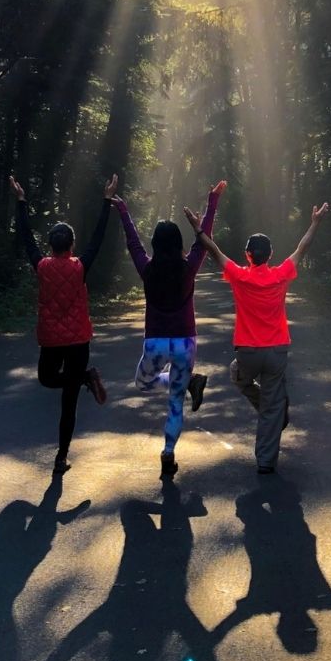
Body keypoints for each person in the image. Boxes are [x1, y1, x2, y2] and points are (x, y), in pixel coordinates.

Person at [183, 200, 329, 475]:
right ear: (270, 254)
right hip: (276, 351)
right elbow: (302, 248)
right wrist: (315, 222)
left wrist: (198, 229)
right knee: (273, 404)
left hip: (247, 352)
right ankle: (265, 460)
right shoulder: (280, 275)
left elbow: (213, 252)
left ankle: (271, 411)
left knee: (238, 375)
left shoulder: (239, 276)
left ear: (247, 254)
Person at [111, 181, 226, 480]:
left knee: (143, 384)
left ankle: (186, 384)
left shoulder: (147, 270)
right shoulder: (188, 268)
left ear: (155, 245)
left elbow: (132, 243)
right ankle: (168, 452)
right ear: (177, 244)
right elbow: (204, 240)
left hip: (156, 343)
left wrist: (122, 209)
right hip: (186, 343)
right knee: (176, 401)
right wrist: (212, 201)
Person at [10, 173, 118, 474]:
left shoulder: (42, 266)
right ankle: (62, 451)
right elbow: (97, 239)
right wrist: (106, 200)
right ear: (71, 244)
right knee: (68, 402)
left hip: (53, 341)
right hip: (78, 341)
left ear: (51, 245)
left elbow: (26, 239)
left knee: (47, 378)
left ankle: (61, 458)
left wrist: (21, 202)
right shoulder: (80, 267)